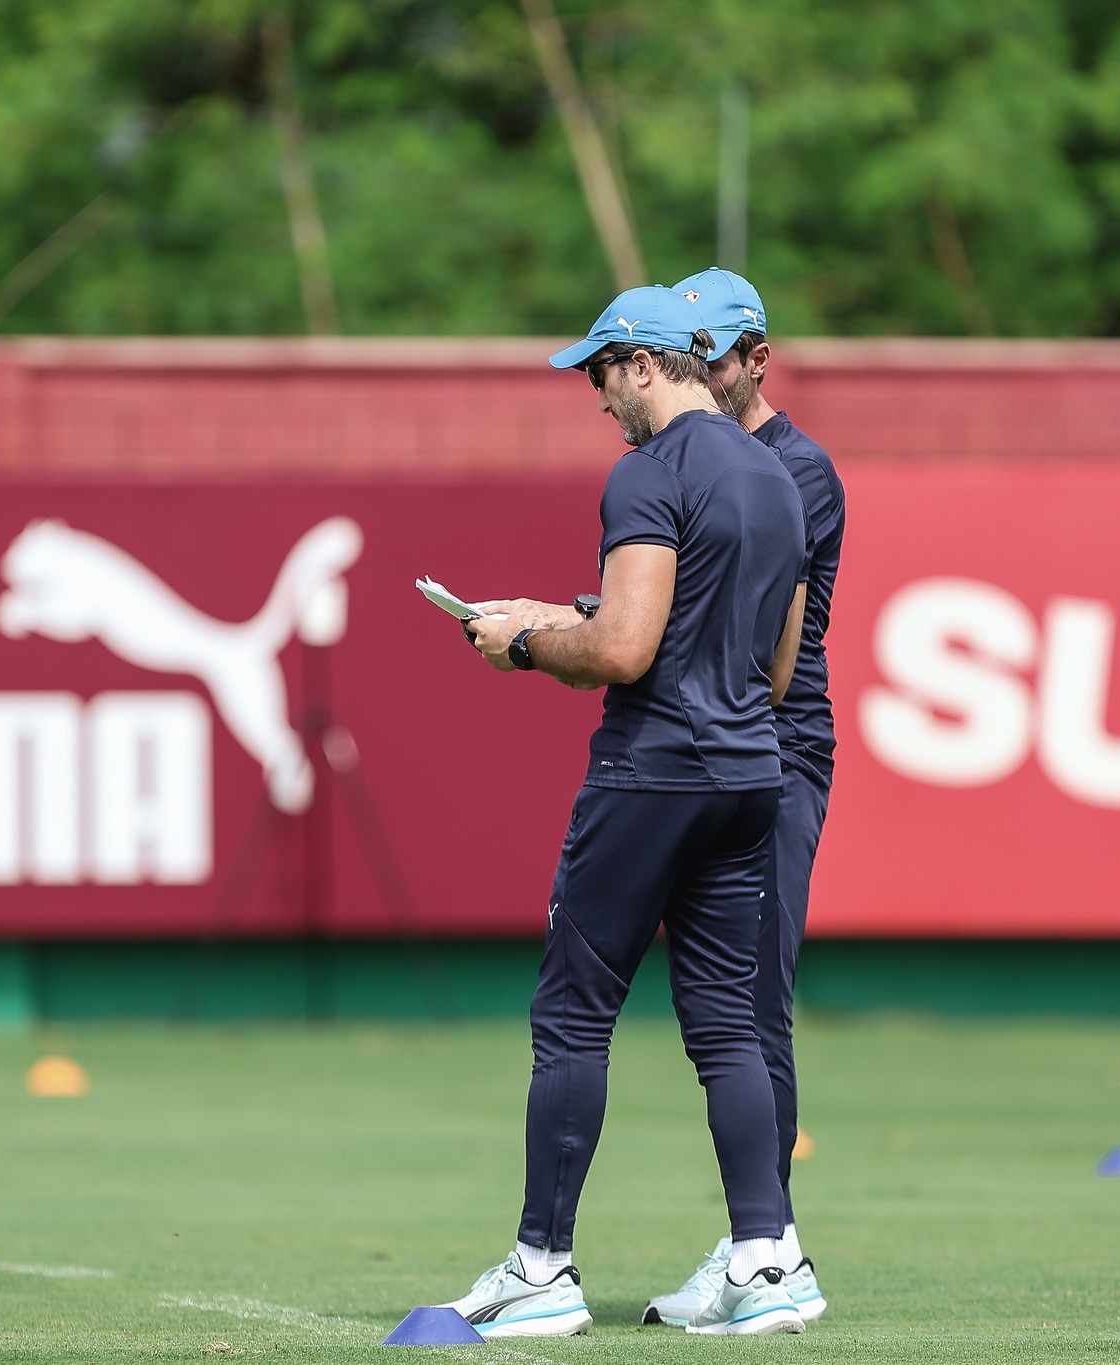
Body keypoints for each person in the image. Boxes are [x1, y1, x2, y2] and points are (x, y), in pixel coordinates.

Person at [435, 285, 811, 1337]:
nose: (595, 397)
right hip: (747, 777)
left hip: (653, 774)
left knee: (571, 1017)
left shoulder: (649, 472)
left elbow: (623, 652)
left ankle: (541, 1270)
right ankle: (763, 1258)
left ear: (642, 363)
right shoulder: (777, 475)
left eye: (598, 373)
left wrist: (520, 641)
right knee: (730, 1027)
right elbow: (777, 669)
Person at [639, 267, 847, 1328]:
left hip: (772, 749)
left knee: (753, 1004)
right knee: (716, 1003)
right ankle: (759, 1243)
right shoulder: (689, 457)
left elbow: (762, 646)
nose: (698, 375)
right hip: (716, 744)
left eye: (713, 358)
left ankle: (771, 1250)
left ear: (755, 359)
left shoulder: (791, 471)